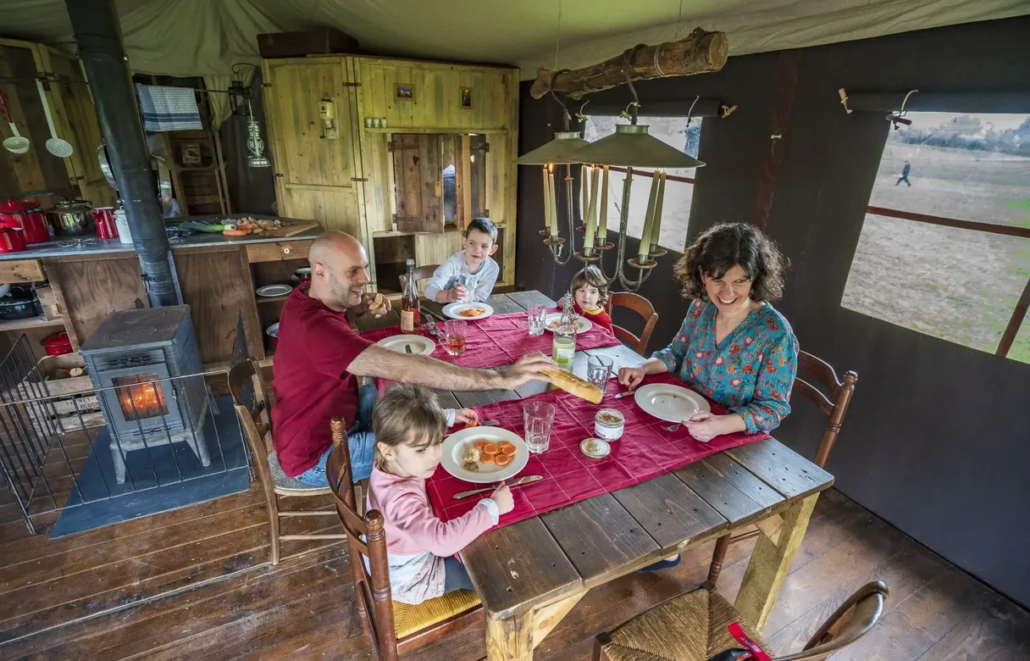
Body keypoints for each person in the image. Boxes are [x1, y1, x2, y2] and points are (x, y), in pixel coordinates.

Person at [271, 231, 553, 487]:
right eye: (352, 271)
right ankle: (418, 533)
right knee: (428, 453)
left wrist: (355, 311)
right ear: (320, 271)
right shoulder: (315, 328)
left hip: (340, 418)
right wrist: (502, 379)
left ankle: (446, 418)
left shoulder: (306, 296)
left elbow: (335, 332)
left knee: (384, 393)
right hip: (317, 456)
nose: (364, 279)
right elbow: (407, 367)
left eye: (364, 268)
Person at [618, 222, 799, 571]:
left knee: (650, 477)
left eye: (739, 281)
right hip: (679, 422)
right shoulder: (701, 308)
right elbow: (675, 352)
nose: (727, 292)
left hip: (728, 447)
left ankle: (666, 547)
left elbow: (774, 408)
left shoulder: (775, 333)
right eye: (717, 279)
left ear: (756, 278)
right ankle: (647, 534)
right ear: (702, 275)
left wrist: (721, 425)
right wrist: (645, 368)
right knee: (622, 450)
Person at [368, 383, 512, 604]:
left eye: (437, 442)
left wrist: (450, 417)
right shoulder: (400, 500)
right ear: (387, 450)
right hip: (413, 576)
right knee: (496, 570)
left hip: (396, 554)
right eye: (422, 450)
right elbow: (441, 542)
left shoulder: (391, 459)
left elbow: (413, 422)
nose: (434, 456)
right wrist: (491, 509)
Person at [424, 218, 500, 303]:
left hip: (472, 310)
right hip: (444, 309)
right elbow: (429, 290)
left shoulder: (492, 268)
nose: (477, 250)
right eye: (472, 243)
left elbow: (480, 296)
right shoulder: (454, 263)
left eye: (484, 246)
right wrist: (450, 295)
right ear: (464, 242)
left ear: (492, 250)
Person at [566, 265, 614, 333]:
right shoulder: (575, 304)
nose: (586, 296)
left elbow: (611, 341)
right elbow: (563, 313)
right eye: (582, 291)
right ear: (574, 293)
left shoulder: (603, 320)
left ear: (600, 296)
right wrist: (563, 303)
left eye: (593, 292)